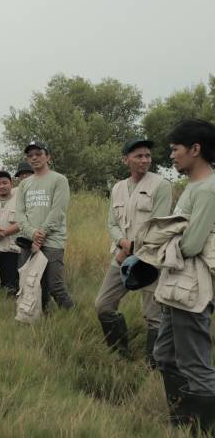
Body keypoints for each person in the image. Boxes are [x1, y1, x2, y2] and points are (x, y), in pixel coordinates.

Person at [154, 119, 215, 432]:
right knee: (164, 353)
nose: (172, 156)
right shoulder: (195, 187)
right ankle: (180, 421)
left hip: (192, 286)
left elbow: (191, 244)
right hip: (177, 285)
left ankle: (202, 429)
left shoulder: (207, 190)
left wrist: (167, 238)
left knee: (195, 364)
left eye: (175, 149)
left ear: (196, 149)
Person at [94, 138, 171, 363]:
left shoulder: (161, 185)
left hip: (150, 260)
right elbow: (111, 223)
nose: (144, 160)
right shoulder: (117, 188)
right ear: (125, 159)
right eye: (138, 156)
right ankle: (120, 353)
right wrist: (123, 245)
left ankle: (153, 366)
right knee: (103, 305)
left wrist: (132, 248)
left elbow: (159, 225)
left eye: (147, 155)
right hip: (121, 257)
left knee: (153, 316)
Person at [15, 141, 74, 311]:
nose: (34, 158)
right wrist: (32, 233)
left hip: (52, 241)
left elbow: (58, 212)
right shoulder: (24, 184)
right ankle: (42, 318)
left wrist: (40, 235)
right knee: (32, 284)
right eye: (30, 155)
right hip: (29, 241)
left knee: (54, 285)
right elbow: (20, 214)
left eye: (38, 154)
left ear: (48, 157)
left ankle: (71, 316)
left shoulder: (59, 180)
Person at [0, 170, 22, 296]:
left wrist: (3, 233)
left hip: (10, 248)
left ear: (11, 183)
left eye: (5, 183)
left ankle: (8, 308)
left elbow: (24, 221)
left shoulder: (19, 199)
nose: (1, 186)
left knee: (10, 285)